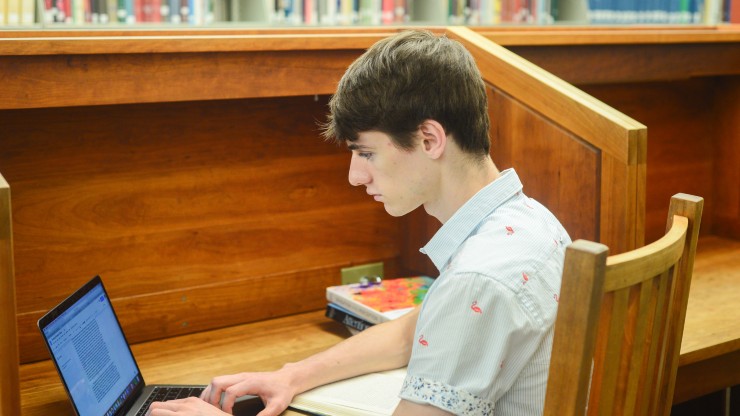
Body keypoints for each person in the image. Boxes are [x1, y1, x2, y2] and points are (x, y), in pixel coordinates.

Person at [147, 29, 571, 416]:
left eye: (366, 153)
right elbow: (416, 331)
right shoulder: (531, 222)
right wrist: (290, 376)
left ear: (430, 140)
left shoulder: (479, 277)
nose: (356, 176)